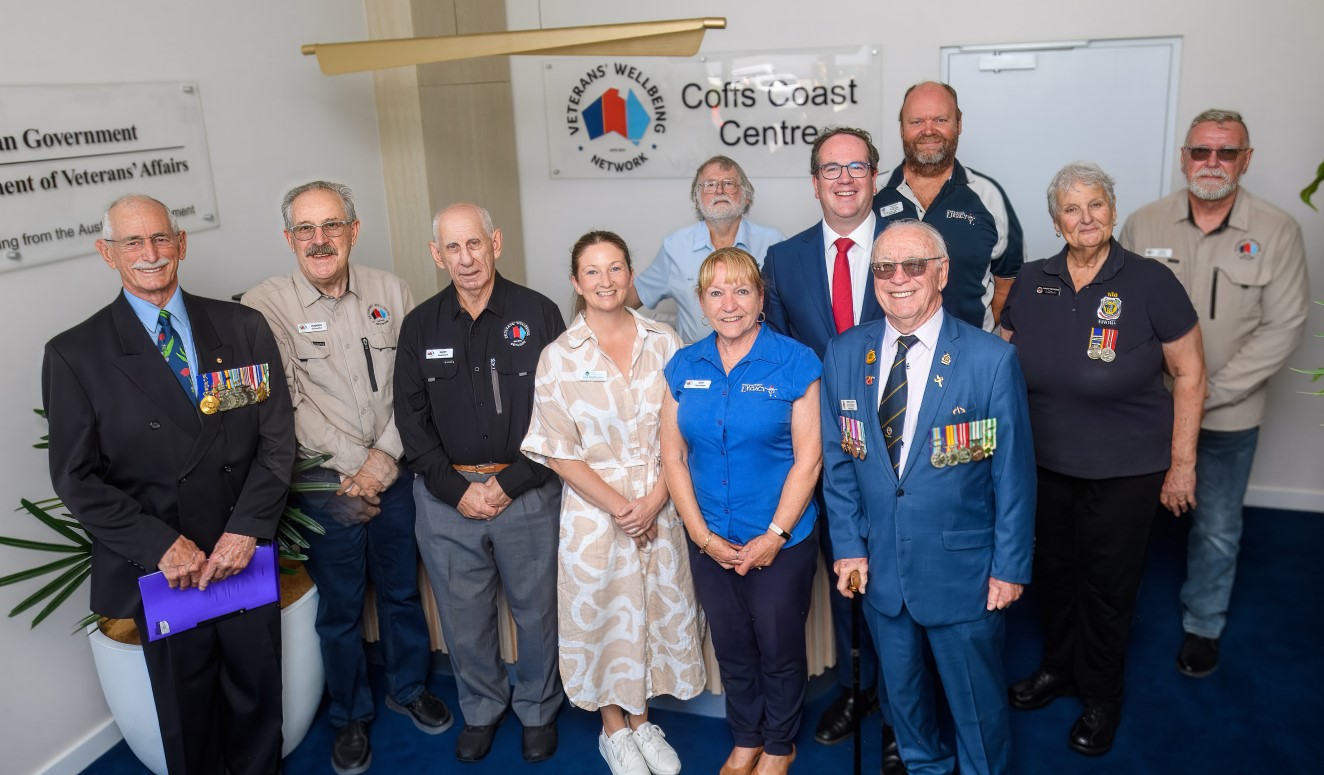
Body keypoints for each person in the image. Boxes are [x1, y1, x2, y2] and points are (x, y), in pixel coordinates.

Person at [43, 194, 295, 774]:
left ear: (181, 244)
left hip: (240, 550)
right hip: (164, 568)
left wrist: (246, 530)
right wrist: (161, 545)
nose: (150, 253)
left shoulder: (242, 327)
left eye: (160, 238)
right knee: (189, 710)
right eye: (132, 242)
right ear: (107, 253)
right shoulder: (75, 354)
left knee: (259, 695)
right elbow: (76, 479)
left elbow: (276, 441)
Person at [242, 181, 452, 775]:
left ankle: (408, 688)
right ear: (289, 238)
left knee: (401, 591)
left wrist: (385, 459)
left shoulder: (392, 290)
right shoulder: (264, 304)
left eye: (331, 225)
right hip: (325, 485)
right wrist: (356, 467)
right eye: (305, 229)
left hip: (394, 472)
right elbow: (282, 402)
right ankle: (350, 715)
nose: (319, 240)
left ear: (353, 231)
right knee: (339, 607)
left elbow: (414, 386)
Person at [1001, 163, 1206, 756]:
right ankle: (1058, 668)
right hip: (1044, 466)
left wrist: (1182, 465)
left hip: (1125, 470)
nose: (1085, 217)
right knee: (1053, 576)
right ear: (1056, 221)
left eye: (1096, 205)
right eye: (1072, 208)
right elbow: (997, 362)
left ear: (1113, 212)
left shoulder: (1150, 280)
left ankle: (1101, 693)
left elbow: (1191, 374)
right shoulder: (1032, 280)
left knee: (1107, 586)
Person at [821, 219, 1035, 775]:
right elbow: (840, 463)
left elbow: (1013, 476)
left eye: (914, 265)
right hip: (880, 571)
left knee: (976, 706)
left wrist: (1010, 567)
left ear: (941, 273)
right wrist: (849, 547)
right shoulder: (845, 354)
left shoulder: (990, 359)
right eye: (884, 268)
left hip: (965, 572)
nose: (898, 278)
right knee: (904, 705)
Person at [1119, 109, 1310, 678]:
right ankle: (1112, 618)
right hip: (1148, 412)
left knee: (1218, 526)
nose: (1212, 162)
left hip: (1230, 413)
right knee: (1123, 521)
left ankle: (1203, 624)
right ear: (1184, 158)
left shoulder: (1277, 231)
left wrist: (1205, 394)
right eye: (1201, 151)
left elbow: (1284, 327)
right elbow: (1117, 315)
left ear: (1245, 161)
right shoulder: (1144, 224)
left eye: (1226, 153)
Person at [522, 231, 706, 775]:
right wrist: (624, 509)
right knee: (605, 618)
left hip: (661, 501)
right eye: (593, 271)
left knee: (651, 611)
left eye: (616, 268)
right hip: (594, 514)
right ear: (576, 282)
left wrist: (653, 500)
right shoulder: (558, 357)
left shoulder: (665, 341)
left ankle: (643, 721)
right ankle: (613, 730)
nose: (606, 281)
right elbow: (558, 451)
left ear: (630, 274)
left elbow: (684, 433)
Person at [394, 203, 567, 764]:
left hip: (528, 493)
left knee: (538, 613)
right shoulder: (420, 325)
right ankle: (482, 709)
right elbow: (410, 421)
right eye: (453, 247)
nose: (465, 258)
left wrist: (510, 483)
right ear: (436, 254)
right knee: (463, 616)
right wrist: (456, 490)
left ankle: (538, 708)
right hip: (447, 500)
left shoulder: (538, 313)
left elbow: (561, 413)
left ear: (496, 243)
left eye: (474, 243)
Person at [762, 126, 901, 771]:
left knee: (898, 581)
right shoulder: (784, 259)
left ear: (875, 176)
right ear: (814, 182)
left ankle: (903, 710)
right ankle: (857, 686)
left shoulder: (910, 245)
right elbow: (783, 357)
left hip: (901, 445)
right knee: (843, 571)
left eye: (857, 166)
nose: (845, 179)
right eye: (831, 169)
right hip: (825, 452)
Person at [661, 247, 823, 775]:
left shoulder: (796, 361)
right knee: (731, 645)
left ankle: (779, 744)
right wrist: (702, 536)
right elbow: (672, 458)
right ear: (701, 301)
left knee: (778, 646)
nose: (729, 304)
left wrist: (775, 534)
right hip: (710, 537)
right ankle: (747, 736)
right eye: (716, 292)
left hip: (780, 538)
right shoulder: (684, 365)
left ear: (760, 297)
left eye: (741, 291)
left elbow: (809, 459)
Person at [872, 82, 1024, 330]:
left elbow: (1008, 285)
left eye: (940, 120)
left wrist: (974, 336)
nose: (928, 130)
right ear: (901, 129)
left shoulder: (988, 196)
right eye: (916, 121)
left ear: (959, 124)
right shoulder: (873, 194)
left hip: (971, 349)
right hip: (888, 347)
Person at [630, 155, 785, 343]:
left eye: (728, 184)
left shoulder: (773, 242)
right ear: (696, 199)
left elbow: (794, 306)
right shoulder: (675, 245)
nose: (719, 190)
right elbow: (635, 296)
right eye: (710, 185)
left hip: (762, 357)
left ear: (746, 197)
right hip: (695, 358)